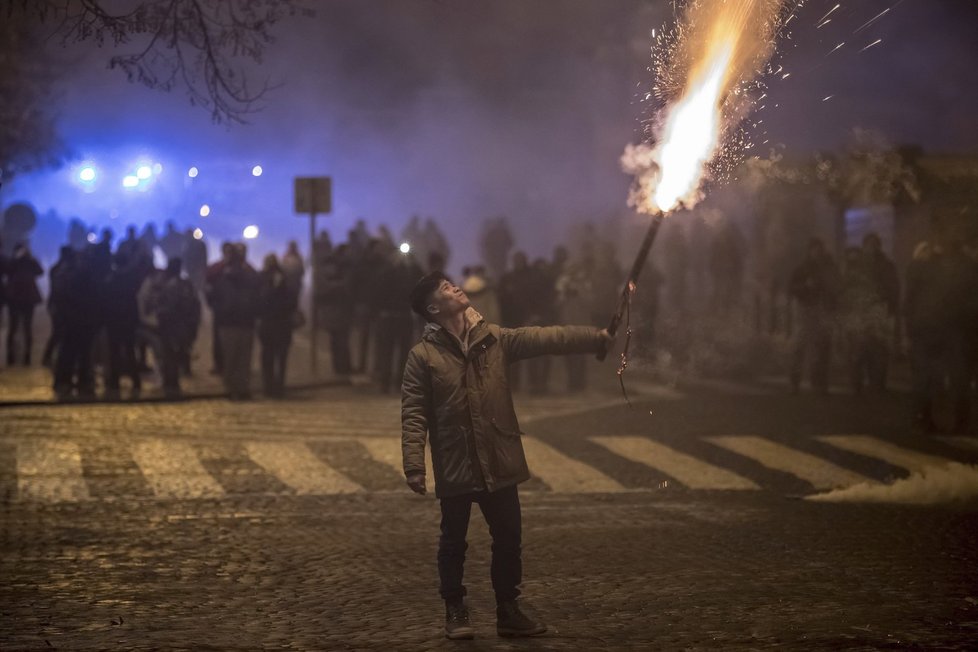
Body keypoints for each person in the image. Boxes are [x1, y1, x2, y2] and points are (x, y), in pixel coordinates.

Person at [401, 271, 612, 640]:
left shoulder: (494, 340)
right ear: (434, 307)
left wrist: (595, 338)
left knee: (509, 537)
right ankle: (455, 609)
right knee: (453, 541)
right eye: (446, 288)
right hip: (456, 462)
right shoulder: (423, 357)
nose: (455, 286)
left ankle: (508, 611)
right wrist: (415, 465)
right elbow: (414, 411)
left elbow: (547, 338)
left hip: (498, 457)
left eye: (452, 283)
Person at [787, 238, 839, 394]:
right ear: (810, 250)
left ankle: (819, 382)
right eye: (814, 249)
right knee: (801, 344)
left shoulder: (829, 267)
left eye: (819, 249)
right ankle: (796, 380)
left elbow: (836, 287)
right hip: (806, 308)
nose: (817, 252)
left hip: (822, 308)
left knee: (822, 345)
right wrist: (806, 287)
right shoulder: (803, 268)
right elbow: (792, 288)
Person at [211, 245, 260, 400]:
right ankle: (237, 388)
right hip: (238, 321)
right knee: (239, 359)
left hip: (234, 322)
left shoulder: (226, 274)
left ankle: (235, 388)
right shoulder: (224, 274)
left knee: (235, 358)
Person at [154, 258, 201, 398]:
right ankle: (172, 382)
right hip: (182, 325)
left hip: (172, 325)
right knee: (176, 353)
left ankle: (171, 383)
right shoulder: (185, 284)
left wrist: (159, 312)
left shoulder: (171, 285)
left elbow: (170, 307)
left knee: (169, 355)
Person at [257, 254, 297, 398]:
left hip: (280, 325)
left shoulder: (284, 281)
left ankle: (278, 386)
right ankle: (269, 386)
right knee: (269, 358)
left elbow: (291, 302)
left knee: (280, 358)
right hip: (270, 325)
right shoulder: (262, 279)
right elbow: (262, 301)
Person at [5, 243, 43, 366]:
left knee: (20, 327)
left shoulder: (23, 262)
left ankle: (21, 355)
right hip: (23, 298)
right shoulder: (19, 262)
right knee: (19, 327)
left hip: (19, 298)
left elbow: (39, 271)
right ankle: (17, 355)